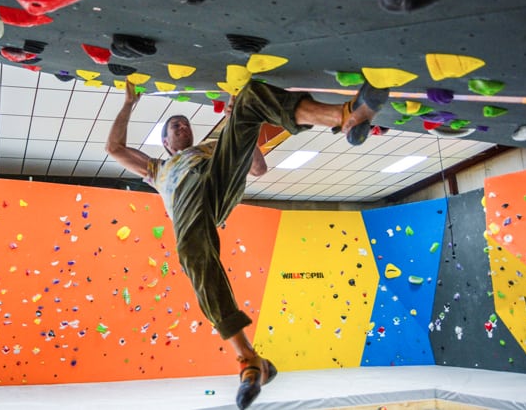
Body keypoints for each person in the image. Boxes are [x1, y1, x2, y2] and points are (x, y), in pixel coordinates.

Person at [105, 79, 389, 409]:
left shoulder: (212, 145)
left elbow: (258, 168)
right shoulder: (158, 168)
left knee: (249, 99)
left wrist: (236, 121)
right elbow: (115, 148)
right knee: (192, 252)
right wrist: (128, 105)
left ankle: (344, 116)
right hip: (192, 209)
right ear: (166, 144)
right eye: (173, 126)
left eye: (183, 123)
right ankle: (247, 357)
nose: (181, 125)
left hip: (218, 181)